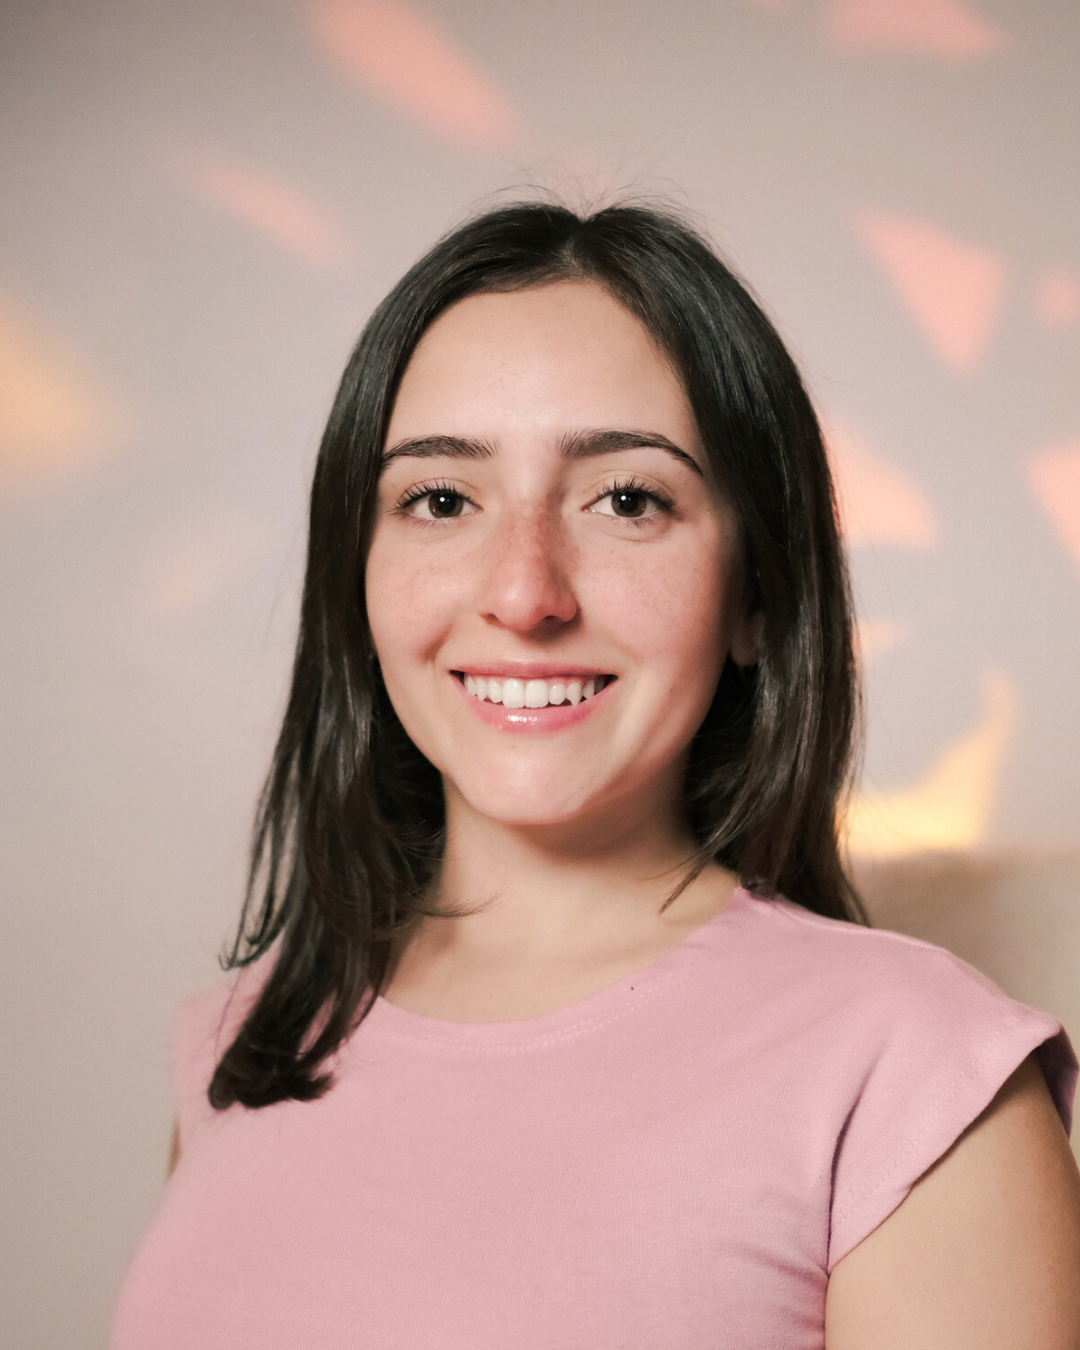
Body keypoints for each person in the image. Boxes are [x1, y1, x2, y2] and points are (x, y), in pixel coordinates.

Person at [112, 200, 1080, 1349]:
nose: (525, 594)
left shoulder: (918, 1080)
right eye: (440, 499)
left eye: (627, 500)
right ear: (356, 579)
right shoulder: (240, 1044)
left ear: (758, 595)